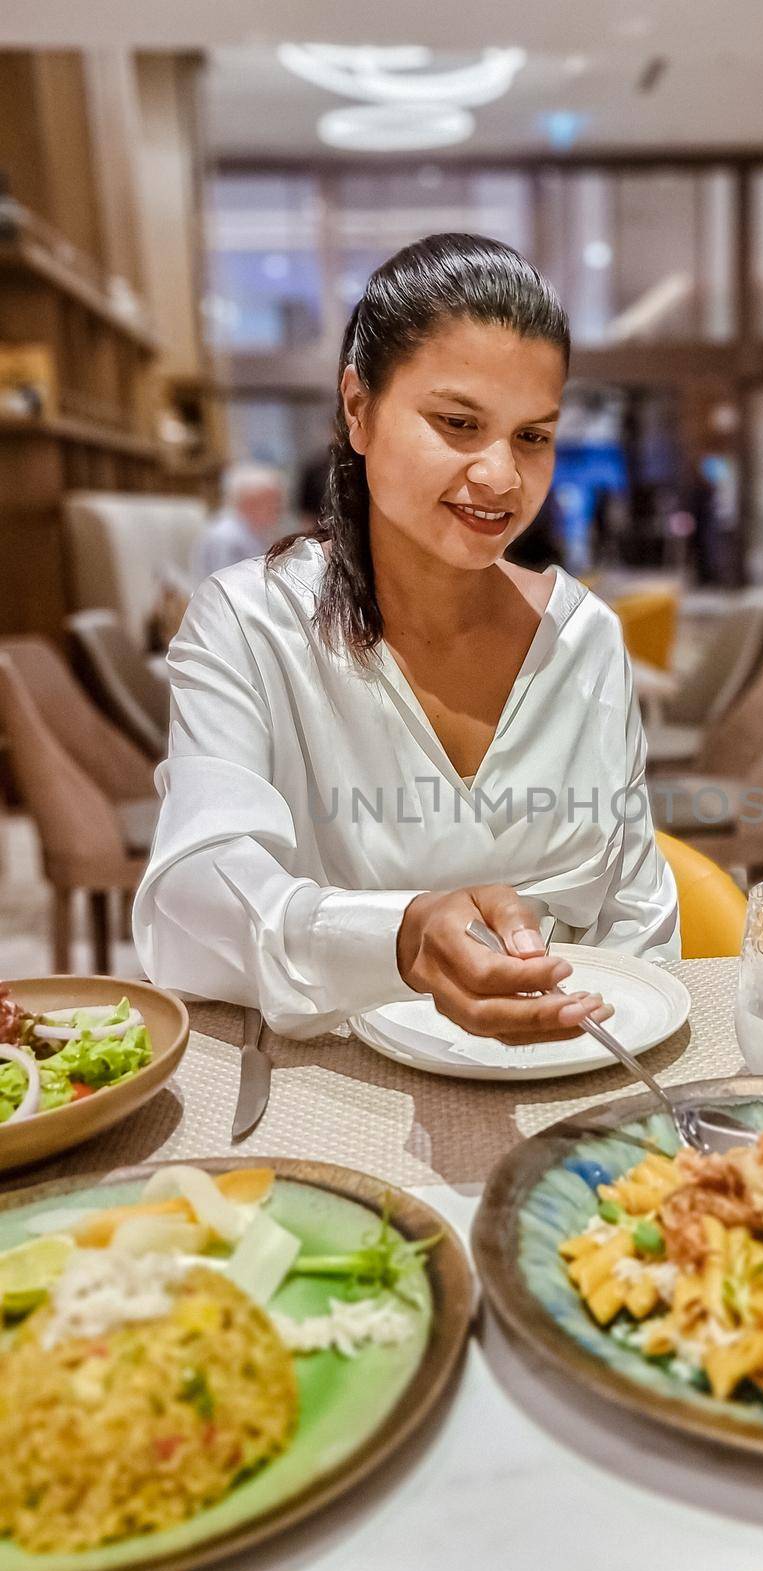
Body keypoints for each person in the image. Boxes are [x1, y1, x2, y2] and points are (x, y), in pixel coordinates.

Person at [134, 233, 679, 1042]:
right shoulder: (252, 622)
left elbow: (637, 906)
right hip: (347, 1087)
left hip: (570, 1066)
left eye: (532, 435)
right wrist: (398, 938)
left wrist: (622, 1039)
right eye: (458, 423)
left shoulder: (583, 636)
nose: (500, 476)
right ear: (359, 408)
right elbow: (196, 891)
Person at [192, 462, 286, 582]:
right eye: (273, 500)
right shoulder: (226, 535)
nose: (279, 507)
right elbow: (227, 583)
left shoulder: (257, 530)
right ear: (250, 502)